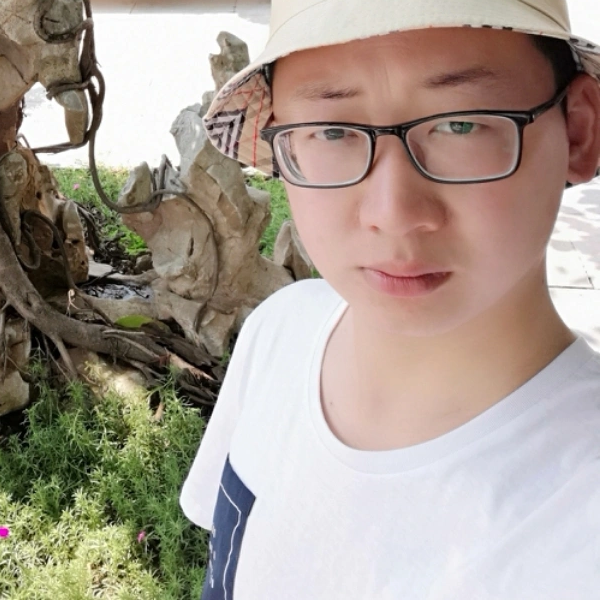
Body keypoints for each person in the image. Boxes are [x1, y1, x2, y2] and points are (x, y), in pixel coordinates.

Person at [180, 1, 600, 598]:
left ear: (579, 130)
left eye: (461, 124)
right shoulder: (279, 333)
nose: (393, 213)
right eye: (332, 131)